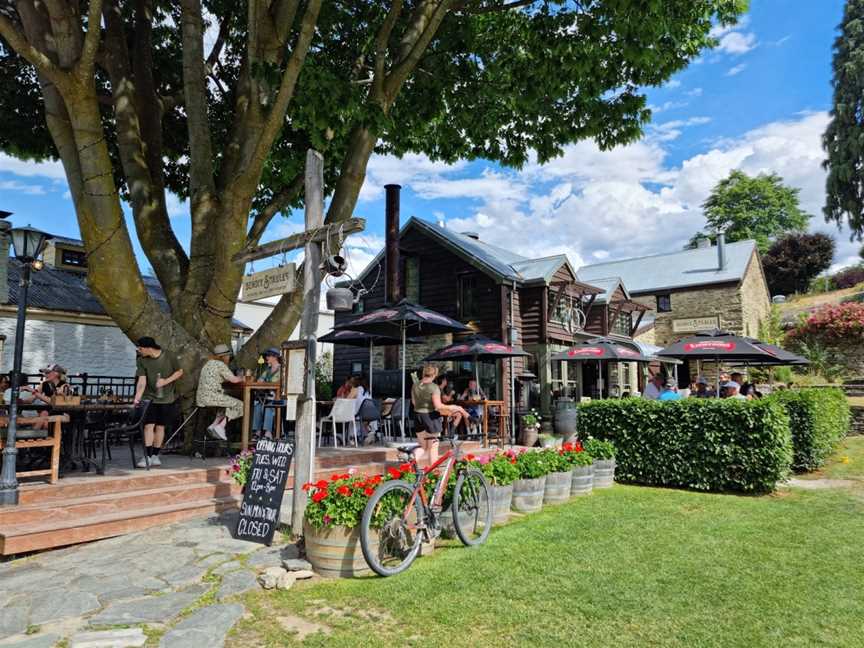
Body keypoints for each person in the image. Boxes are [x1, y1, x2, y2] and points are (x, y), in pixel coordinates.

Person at [133, 337, 183, 467]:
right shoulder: (141, 360)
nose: (139, 350)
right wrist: (137, 396)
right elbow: (142, 381)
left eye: (140, 348)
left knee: (160, 427)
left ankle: (155, 455)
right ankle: (147, 456)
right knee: (148, 426)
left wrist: (165, 381)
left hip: (167, 398)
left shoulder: (169, 356)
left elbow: (179, 372)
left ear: (148, 348)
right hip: (149, 398)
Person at [411, 364, 469, 467]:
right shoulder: (434, 387)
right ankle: (434, 474)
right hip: (431, 418)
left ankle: (410, 462)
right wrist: (453, 407)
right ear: (435, 374)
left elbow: (414, 403)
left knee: (424, 448)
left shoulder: (415, 385)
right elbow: (438, 406)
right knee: (433, 448)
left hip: (417, 416)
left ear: (424, 373)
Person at [196, 344, 244, 441]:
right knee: (241, 405)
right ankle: (221, 426)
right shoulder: (220, 365)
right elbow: (234, 380)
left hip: (201, 398)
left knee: (225, 404)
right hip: (211, 397)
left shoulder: (208, 364)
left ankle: (213, 426)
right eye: (228, 355)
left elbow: (218, 378)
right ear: (224, 356)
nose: (229, 357)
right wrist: (242, 378)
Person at [251, 348, 282, 439]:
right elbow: (260, 380)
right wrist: (262, 382)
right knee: (257, 406)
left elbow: (279, 383)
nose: (266, 358)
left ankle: (268, 432)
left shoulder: (282, 369)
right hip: (266, 395)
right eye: (266, 356)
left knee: (269, 406)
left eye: (268, 356)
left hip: (277, 396)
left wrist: (265, 383)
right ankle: (257, 431)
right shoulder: (267, 369)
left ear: (275, 357)